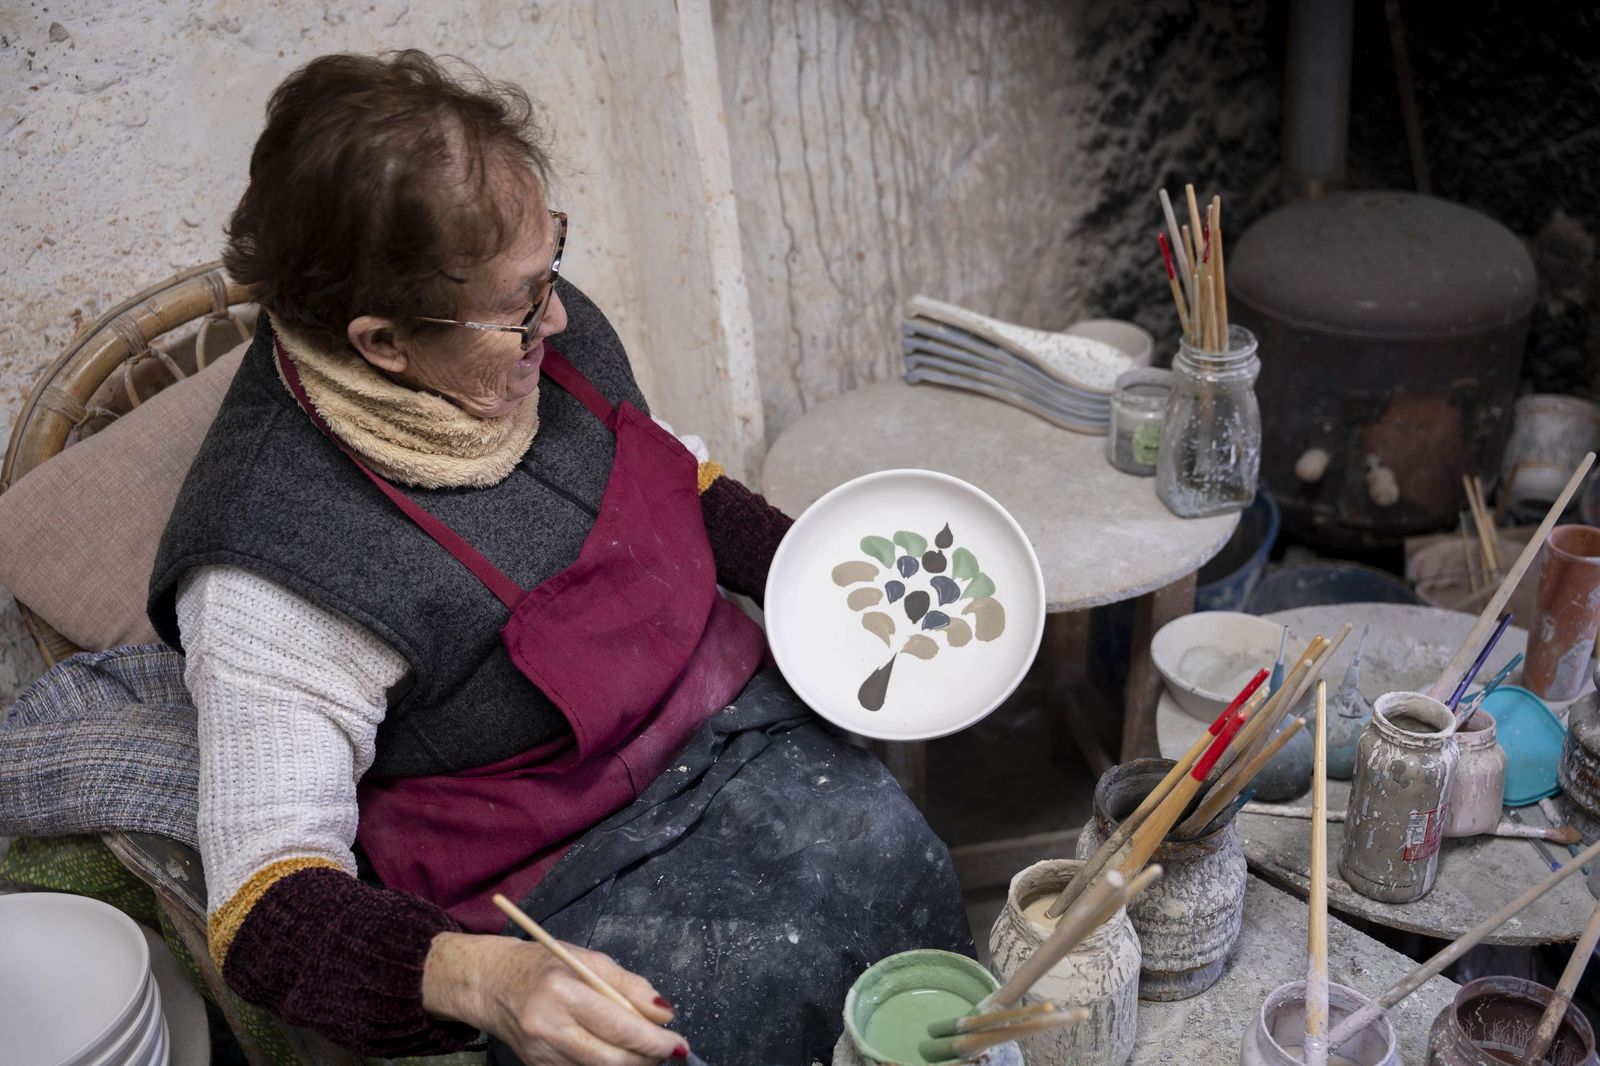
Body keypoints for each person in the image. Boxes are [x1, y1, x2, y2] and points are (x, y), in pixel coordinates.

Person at [146, 50, 970, 1065]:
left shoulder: (522, 324)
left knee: (899, 865)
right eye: (523, 304)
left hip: (729, 727)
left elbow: (673, 481)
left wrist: (822, 575)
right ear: (384, 343)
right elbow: (266, 909)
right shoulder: (270, 566)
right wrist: (488, 979)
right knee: (714, 1021)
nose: (561, 316)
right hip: (552, 874)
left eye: (550, 268)